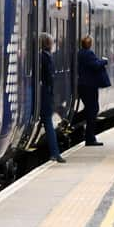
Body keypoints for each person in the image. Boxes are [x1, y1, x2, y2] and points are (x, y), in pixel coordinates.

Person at [39, 33, 66, 163]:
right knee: (48, 124)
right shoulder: (47, 57)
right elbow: (50, 77)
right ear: (48, 44)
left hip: (45, 95)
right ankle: (55, 153)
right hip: (46, 96)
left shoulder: (43, 56)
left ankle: (55, 152)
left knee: (48, 123)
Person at [78, 35, 108, 146]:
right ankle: (90, 138)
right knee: (93, 110)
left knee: (90, 109)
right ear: (89, 44)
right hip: (89, 86)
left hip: (83, 86)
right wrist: (104, 61)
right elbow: (95, 65)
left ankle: (87, 134)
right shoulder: (88, 53)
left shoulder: (80, 53)